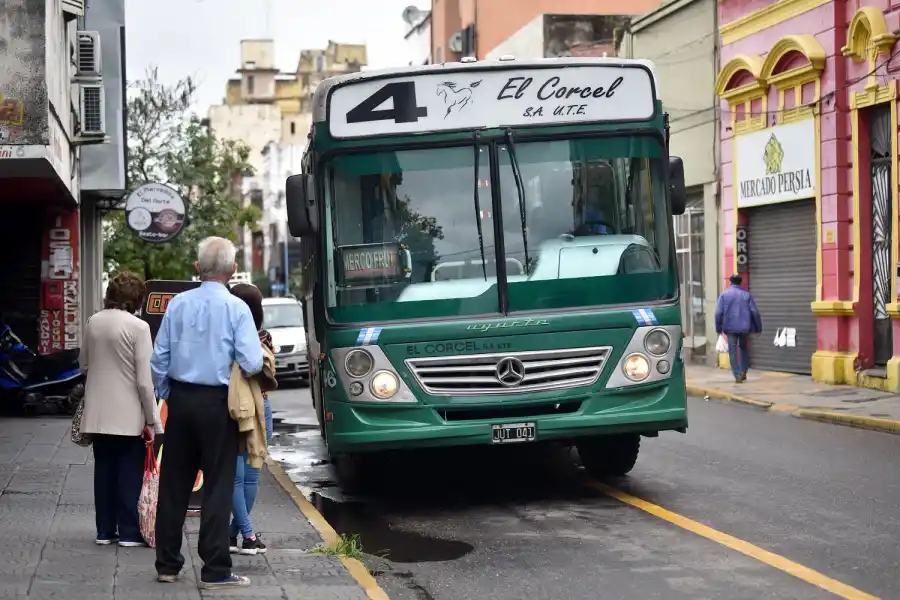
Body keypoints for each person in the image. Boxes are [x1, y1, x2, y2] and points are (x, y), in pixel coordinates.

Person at [151, 237, 263, 588]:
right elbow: (252, 361)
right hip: (219, 404)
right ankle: (215, 569)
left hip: (181, 401)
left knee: (173, 485)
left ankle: (167, 565)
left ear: (198, 268)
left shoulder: (177, 305)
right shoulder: (236, 308)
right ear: (232, 270)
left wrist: (170, 393)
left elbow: (159, 360)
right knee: (217, 485)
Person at [80, 271, 164, 547]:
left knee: (103, 471)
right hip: (129, 414)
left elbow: (84, 364)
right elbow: (144, 381)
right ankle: (128, 532)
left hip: (97, 411)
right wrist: (153, 420)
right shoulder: (138, 328)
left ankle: (104, 530)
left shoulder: (93, 322)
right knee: (129, 472)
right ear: (137, 298)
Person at [228, 283, 275, 556]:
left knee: (236, 477)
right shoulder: (263, 337)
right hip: (262, 406)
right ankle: (244, 534)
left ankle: (239, 534)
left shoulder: (228, 337)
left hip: (234, 407)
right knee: (252, 475)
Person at [714, 273, 763, 383]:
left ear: (730, 282)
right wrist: (758, 328)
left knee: (732, 351)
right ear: (740, 283)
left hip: (730, 328)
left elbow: (718, 313)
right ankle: (743, 371)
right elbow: (754, 312)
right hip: (744, 328)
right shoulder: (746, 295)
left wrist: (718, 328)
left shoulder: (724, 295)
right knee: (743, 348)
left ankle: (737, 375)